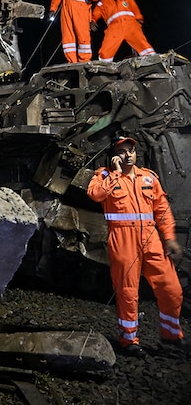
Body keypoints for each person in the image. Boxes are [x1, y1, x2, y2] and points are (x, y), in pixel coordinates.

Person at [86, 136, 189, 356]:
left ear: (136, 152)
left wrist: (169, 238)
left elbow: (162, 210)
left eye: (130, 150)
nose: (128, 155)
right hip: (123, 239)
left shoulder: (149, 178)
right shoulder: (104, 176)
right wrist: (114, 173)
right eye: (122, 151)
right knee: (127, 292)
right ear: (115, 155)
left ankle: (170, 338)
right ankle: (129, 340)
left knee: (172, 288)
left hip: (151, 238)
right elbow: (95, 194)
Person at [91, 0, 156, 62]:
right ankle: (104, 65)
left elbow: (134, 8)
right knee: (107, 49)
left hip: (131, 24)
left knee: (142, 44)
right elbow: (95, 14)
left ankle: (153, 60)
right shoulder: (102, 3)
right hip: (114, 28)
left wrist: (139, 18)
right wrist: (92, 21)